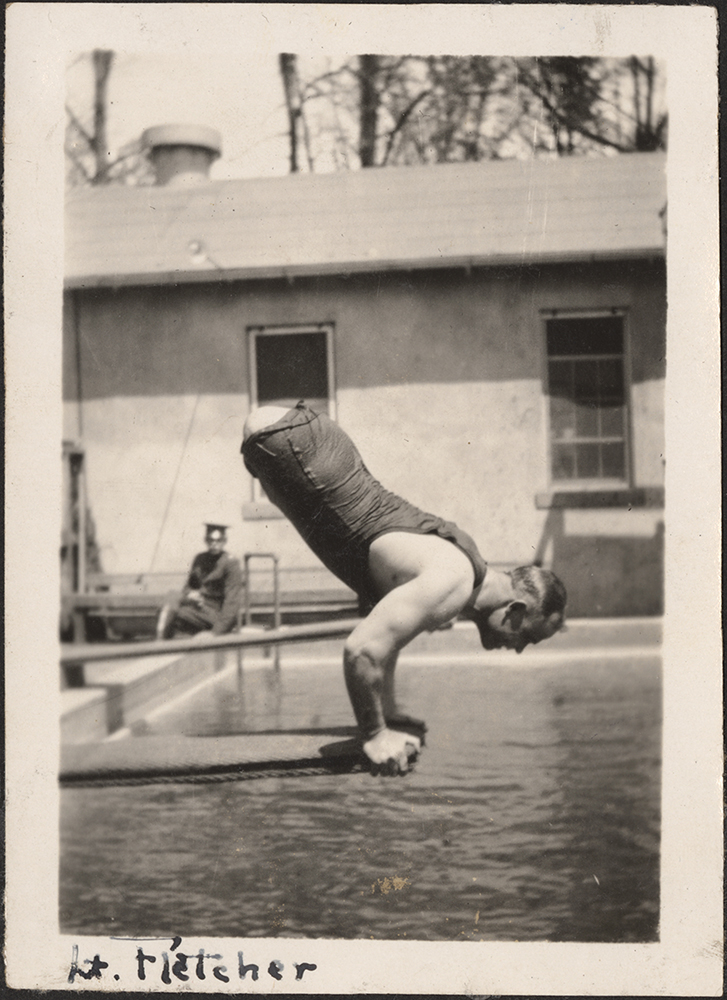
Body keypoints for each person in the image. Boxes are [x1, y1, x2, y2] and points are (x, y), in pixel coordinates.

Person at [241, 401, 567, 778]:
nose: (519, 649)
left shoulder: (466, 571)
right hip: (290, 440)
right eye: (528, 638)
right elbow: (362, 650)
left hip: (295, 435)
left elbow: (391, 633)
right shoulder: (454, 583)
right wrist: (375, 734)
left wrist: (390, 711)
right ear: (516, 611)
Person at [159, 524, 243, 640]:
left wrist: (215, 633)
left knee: (173, 612)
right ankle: (164, 642)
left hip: (217, 615)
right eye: (210, 540)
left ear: (225, 541)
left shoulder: (231, 564)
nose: (214, 543)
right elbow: (188, 587)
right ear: (205, 540)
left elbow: (232, 604)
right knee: (170, 600)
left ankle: (161, 643)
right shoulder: (200, 559)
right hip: (199, 609)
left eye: (218, 540)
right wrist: (190, 595)